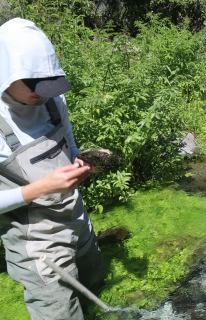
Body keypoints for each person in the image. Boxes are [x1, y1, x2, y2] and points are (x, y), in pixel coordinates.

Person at [0, 18, 106, 319]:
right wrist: (41, 188)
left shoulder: (52, 101)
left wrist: (85, 158)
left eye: (48, 84)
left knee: (96, 280)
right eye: (33, 84)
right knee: (60, 311)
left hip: (75, 215)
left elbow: (69, 148)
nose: (42, 93)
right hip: (36, 240)